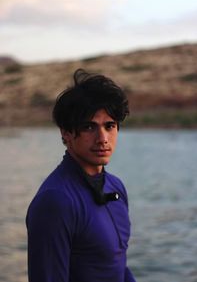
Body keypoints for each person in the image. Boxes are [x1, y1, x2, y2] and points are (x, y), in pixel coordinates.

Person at [26, 69, 136, 282]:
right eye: (89, 127)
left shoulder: (116, 188)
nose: (102, 138)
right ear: (66, 132)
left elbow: (117, 267)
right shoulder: (55, 202)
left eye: (109, 126)